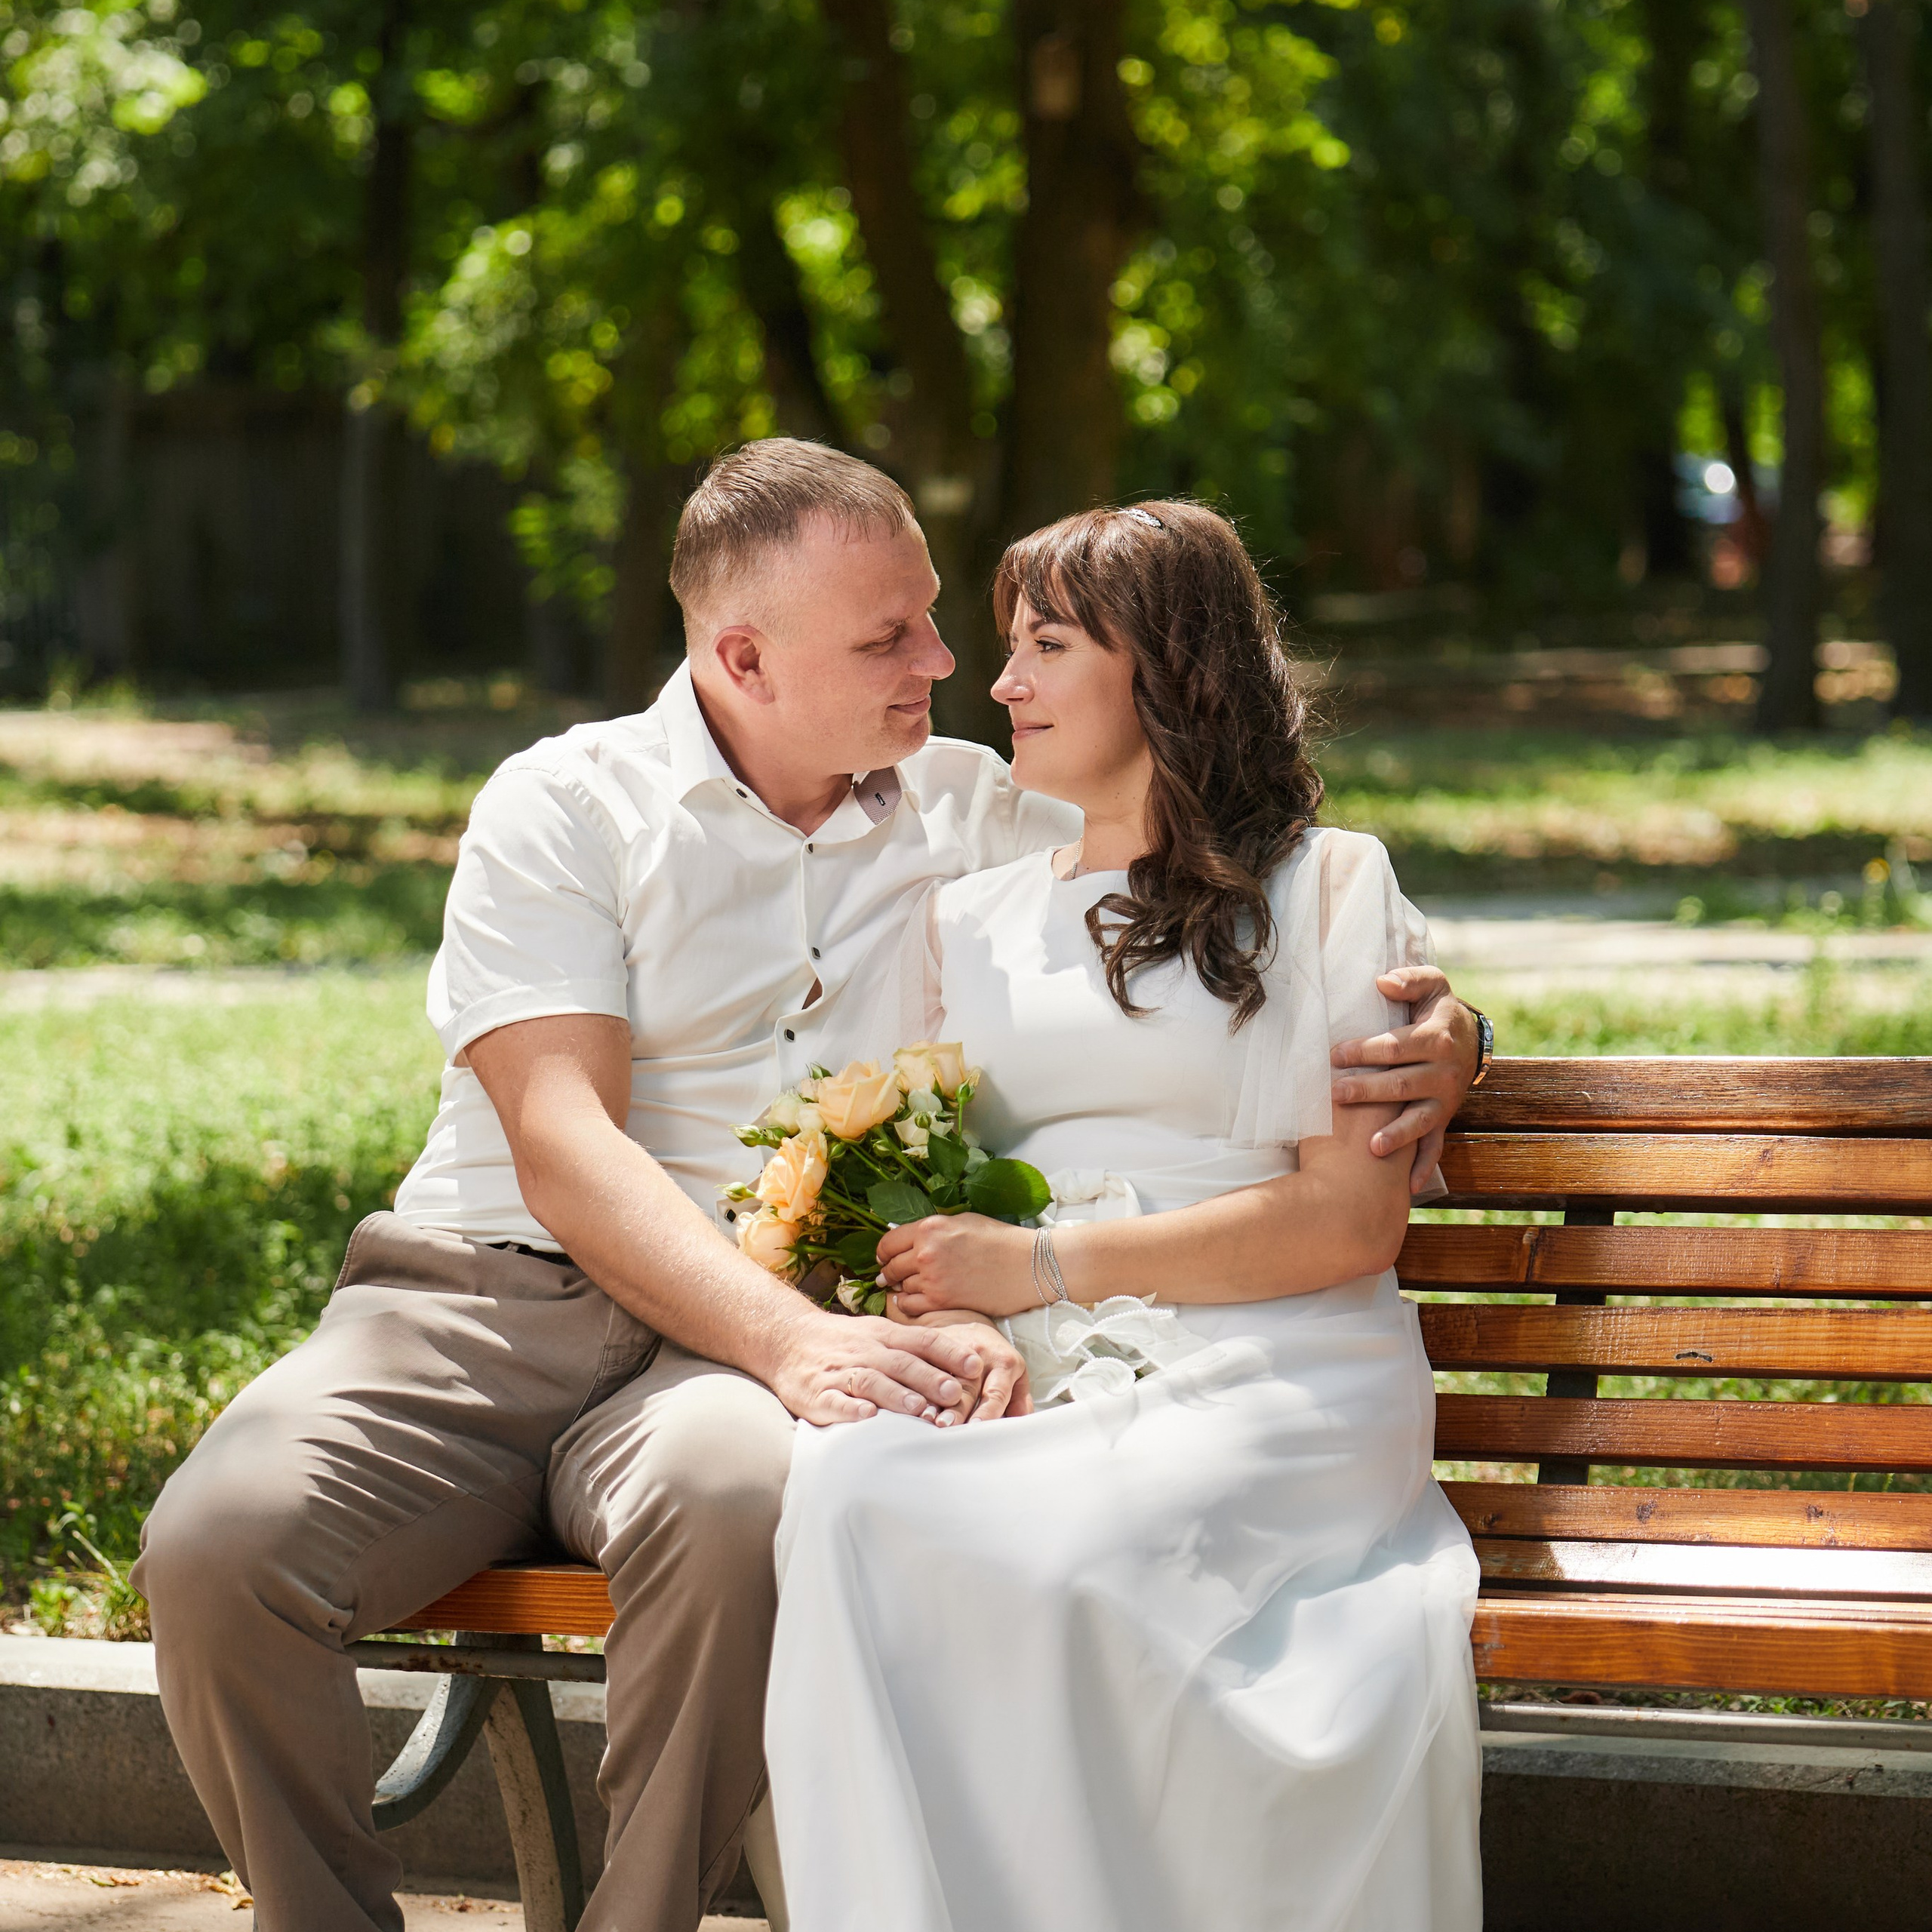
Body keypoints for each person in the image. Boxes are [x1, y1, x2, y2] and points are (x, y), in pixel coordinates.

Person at [131, 442, 1480, 1932]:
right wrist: (800, 1344)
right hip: (484, 1293)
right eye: (889, 635)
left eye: (938, 619)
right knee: (218, 1545)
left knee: (733, 1504)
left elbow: (1235, 878)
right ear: (744, 658)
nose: (949, 663)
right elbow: (562, 1138)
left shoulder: (979, 805)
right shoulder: (568, 803)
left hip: (730, 1332)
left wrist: (1449, 1030)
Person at [764, 500, 1484, 1932]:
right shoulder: (964, 922)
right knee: (844, 1493)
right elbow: (939, 1175)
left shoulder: (1324, 889)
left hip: (1287, 1367)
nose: (1003, 682)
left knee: (1060, 1556)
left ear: (1168, 669)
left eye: (1046, 645)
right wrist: (963, 1305)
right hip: (1046, 1361)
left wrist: (1040, 1260)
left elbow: (1347, 1225)